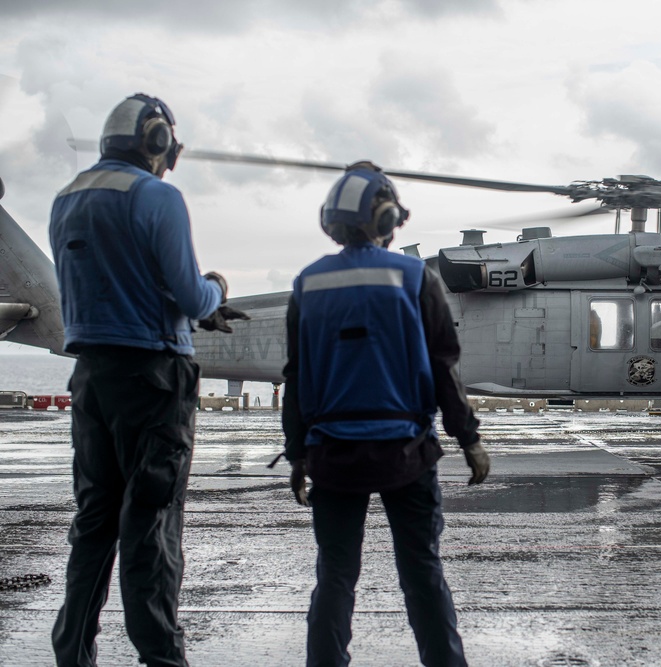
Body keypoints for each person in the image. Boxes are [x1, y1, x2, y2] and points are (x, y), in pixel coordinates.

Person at [49, 93, 248, 667]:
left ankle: (73, 653)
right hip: (154, 382)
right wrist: (214, 290)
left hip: (90, 380)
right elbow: (189, 293)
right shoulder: (157, 196)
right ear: (157, 141)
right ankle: (162, 657)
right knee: (150, 526)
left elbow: (114, 279)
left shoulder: (67, 198)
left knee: (94, 522)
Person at [281, 161, 490, 667]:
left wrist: (296, 456)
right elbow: (444, 366)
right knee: (422, 572)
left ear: (331, 221)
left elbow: (298, 378)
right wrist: (468, 439)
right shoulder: (414, 276)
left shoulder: (308, 283)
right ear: (388, 217)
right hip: (408, 454)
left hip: (332, 455)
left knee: (335, 574)